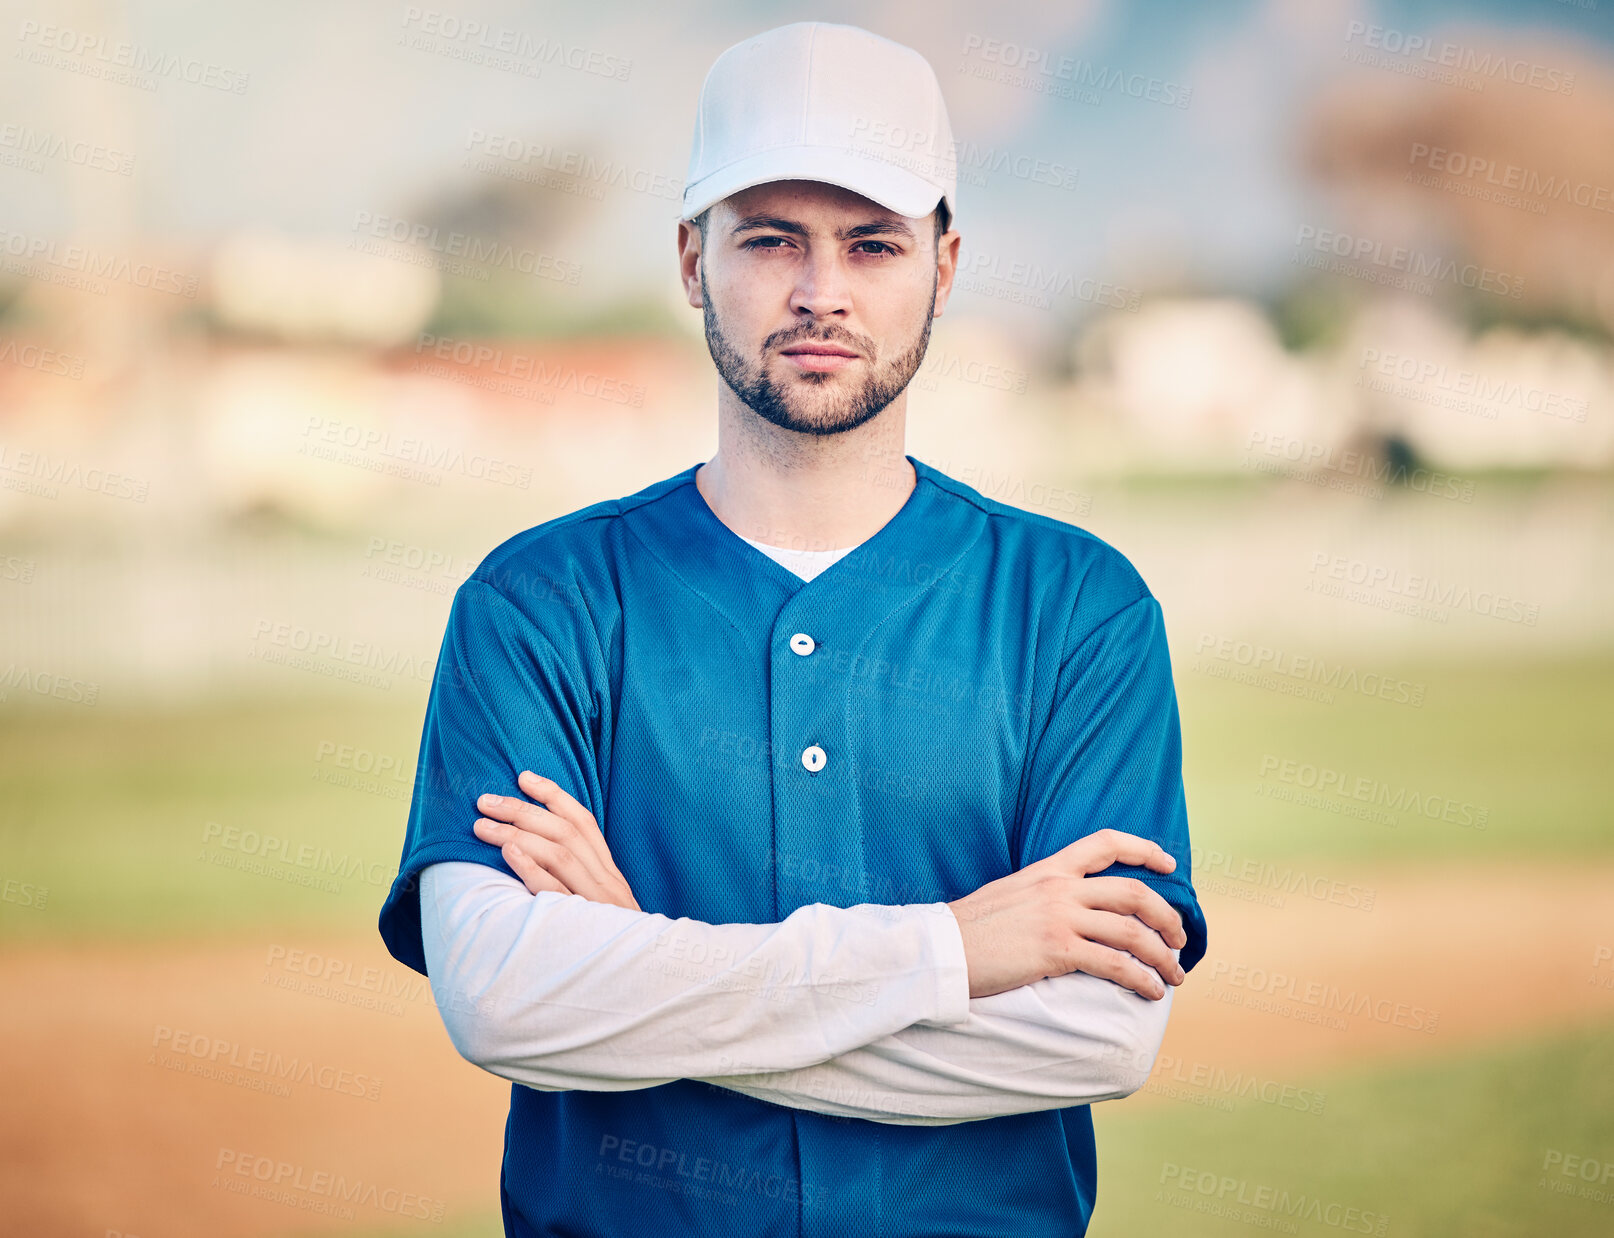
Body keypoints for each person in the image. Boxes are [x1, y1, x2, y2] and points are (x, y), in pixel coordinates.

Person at [379, 20, 1207, 1238]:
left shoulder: (1079, 607)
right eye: (770, 238)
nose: (822, 290)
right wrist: (951, 950)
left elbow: (1098, 1030)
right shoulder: (537, 601)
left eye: (873, 243)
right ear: (691, 258)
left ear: (946, 260)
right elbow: (504, 1001)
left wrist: (640, 964)